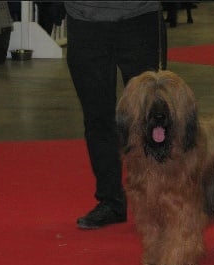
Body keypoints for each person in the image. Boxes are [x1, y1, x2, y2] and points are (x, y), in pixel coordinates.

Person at [65, 1, 167, 229]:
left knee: (151, 116)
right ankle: (110, 201)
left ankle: (157, 202)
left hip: (139, 17)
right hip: (84, 19)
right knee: (97, 115)